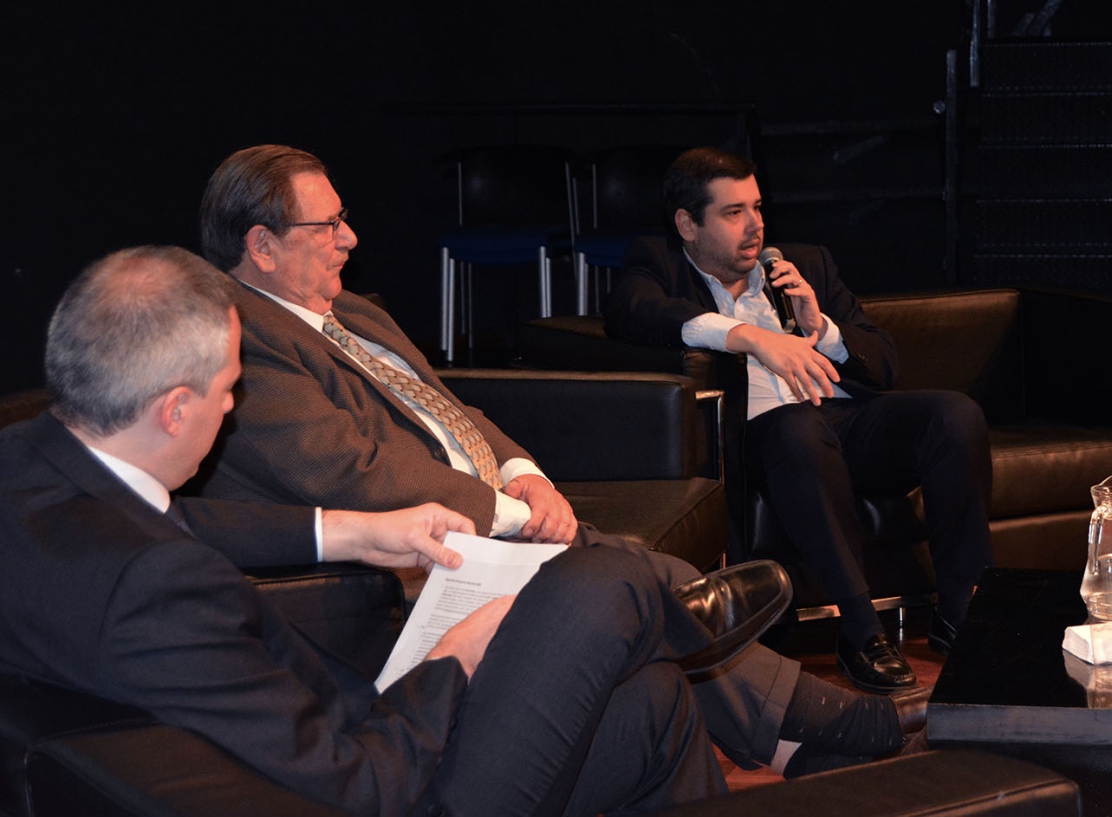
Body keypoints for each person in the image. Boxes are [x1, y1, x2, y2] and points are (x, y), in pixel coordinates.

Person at [192, 144, 928, 777]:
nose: (350, 238)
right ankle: (835, 727)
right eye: (328, 226)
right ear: (262, 245)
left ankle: (800, 750)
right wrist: (510, 513)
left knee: (657, 601)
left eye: (343, 218)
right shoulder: (243, 336)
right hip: (420, 559)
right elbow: (349, 474)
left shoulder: (352, 311)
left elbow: (453, 409)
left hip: (485, 516)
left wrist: (526, 474)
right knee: (653, 585)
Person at [0, 244, 807, 816]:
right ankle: (676, 629)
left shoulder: (32, 468)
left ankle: (665, 640)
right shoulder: (156, 589)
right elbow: (363, 784)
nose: (233, 406)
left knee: (658, 704)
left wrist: (351, 532)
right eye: (226, 391)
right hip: (390, 781)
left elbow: (177, 517)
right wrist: (458, 653)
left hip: (313, 741)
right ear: (175, 408)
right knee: (606, 579)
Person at [603, 147, 995, 693]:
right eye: (733, 212)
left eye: (757, 207)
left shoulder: (803, 265)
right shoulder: (658, 263)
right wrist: (747, 336)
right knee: (797, 427)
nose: (755, 226)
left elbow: (884, 365)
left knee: (953, 415)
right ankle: (861, 632)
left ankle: (960, 614)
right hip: (764, 437)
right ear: (688, 225)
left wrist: (823, 328)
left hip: (839, 419)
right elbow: (634, 311)